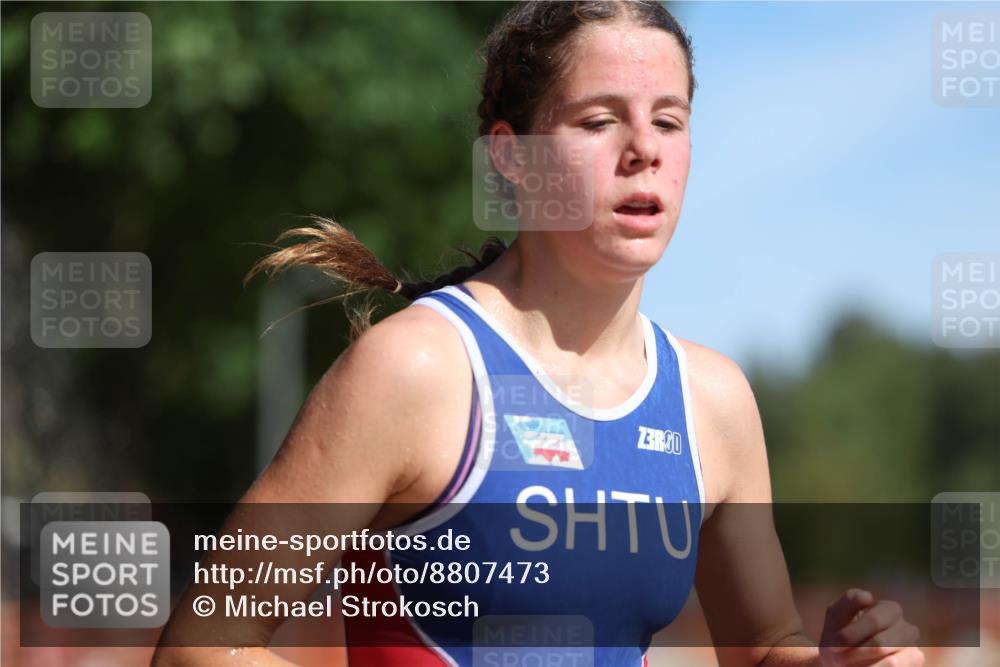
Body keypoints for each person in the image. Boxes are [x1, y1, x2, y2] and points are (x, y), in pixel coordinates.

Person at [153, 2, 924, 666]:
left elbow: (761, 645)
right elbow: (199, 644)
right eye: (599, 120)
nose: (643, 149)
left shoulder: (712, 401)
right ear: (508, 157)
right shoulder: (416, 370)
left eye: (669, 119)